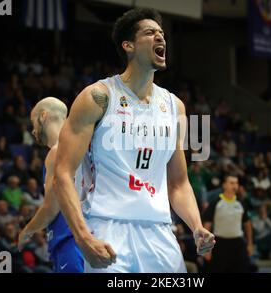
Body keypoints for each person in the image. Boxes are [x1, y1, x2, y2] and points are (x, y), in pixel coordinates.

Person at [53, 8, 215, 273]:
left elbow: (178, 182)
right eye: (150, 33)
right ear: (128, 46)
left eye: (162, 33)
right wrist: (83, 238)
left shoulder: (175, 107)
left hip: (160, 233)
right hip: (107, 229)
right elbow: (62, 173)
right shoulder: (97, 97)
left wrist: (196, 226)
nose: (160, 37)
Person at [18, 97, 84, 273]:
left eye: (33, 123)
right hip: (85, 239)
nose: (33, 131)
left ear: (43, 116)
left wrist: (27, 231)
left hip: (69, 240)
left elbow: (51, 208)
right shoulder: (82, 146)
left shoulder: (57, 151)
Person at [203, 175, 253, 273]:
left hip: (238, 244)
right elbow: (207, 226)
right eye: (231, 183)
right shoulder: (215, 202)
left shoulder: (241, 203)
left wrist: (250, 243)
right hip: (219, 244)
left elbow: (247, 224)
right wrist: (206, 248)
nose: (235, 186)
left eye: (236, 183)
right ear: (224, 185)